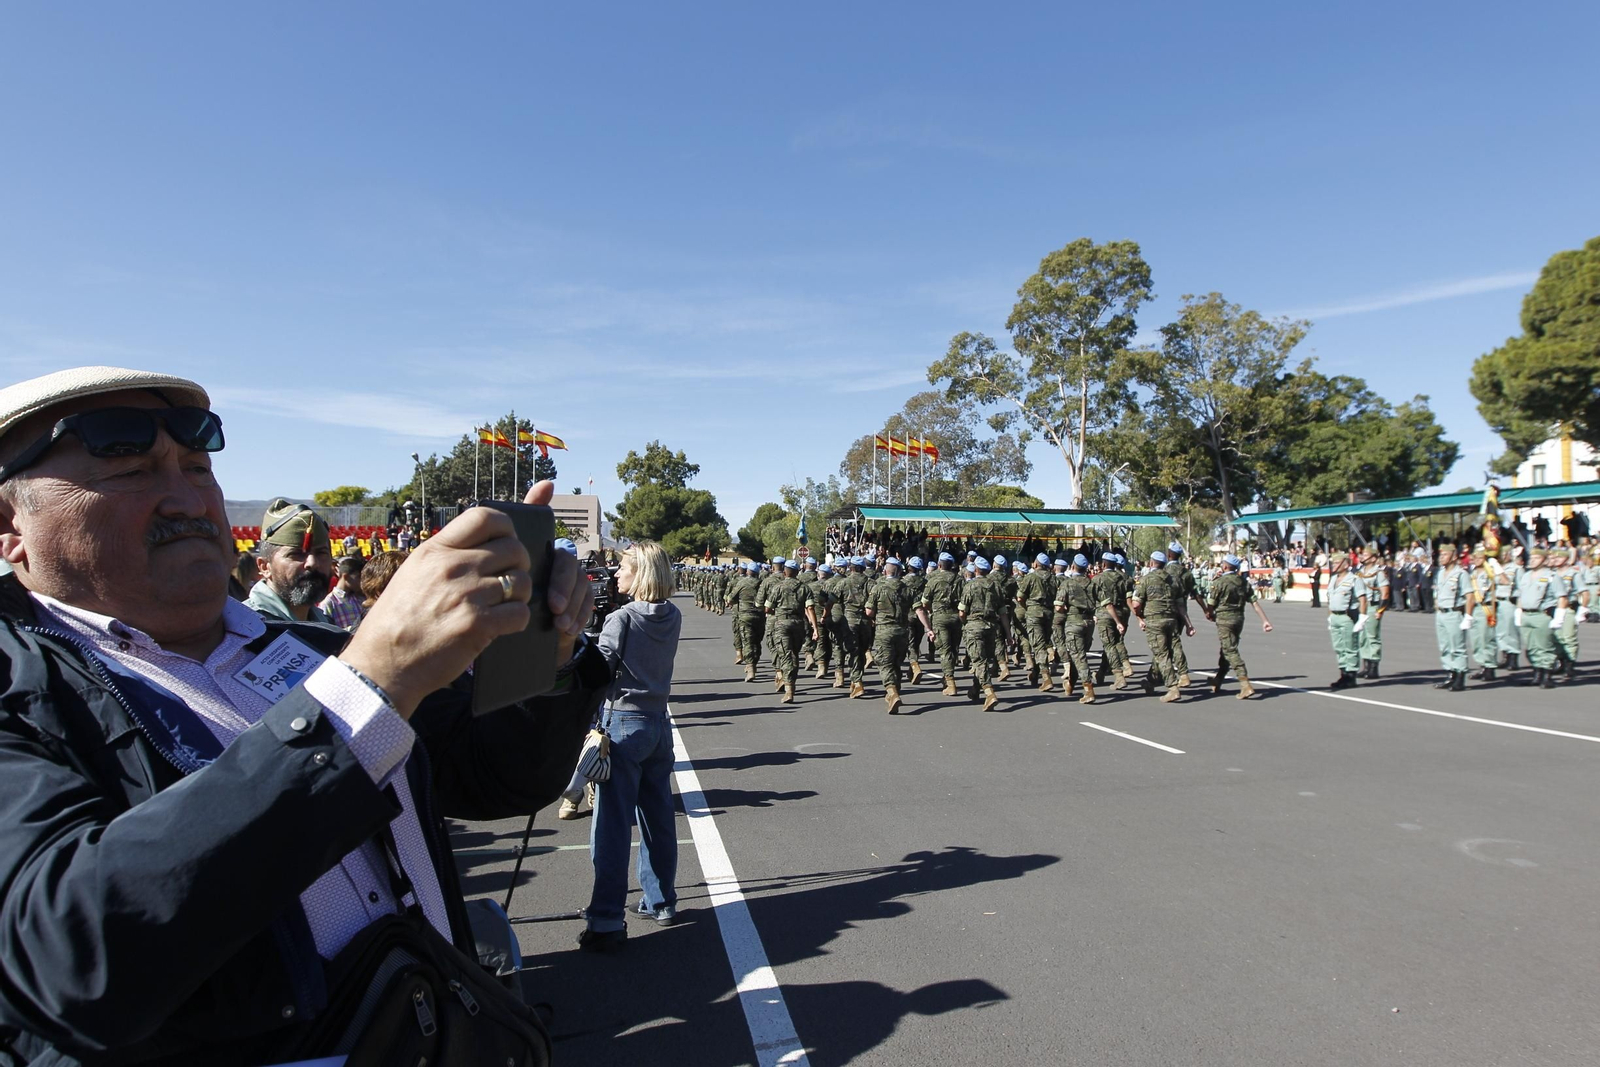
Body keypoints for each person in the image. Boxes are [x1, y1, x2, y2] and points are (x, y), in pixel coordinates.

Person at [0, 366, 604, 1063]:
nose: (185, 497)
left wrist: (546, 661)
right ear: (11, 524)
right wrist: (367, 687)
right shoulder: (22, 688)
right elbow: (73, 955)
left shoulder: (316, 649)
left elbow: (497, 776)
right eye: (131, 469)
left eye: (198, 466)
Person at [580, 540, 683, 950]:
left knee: (611, 824)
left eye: (622, 568)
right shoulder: (671, 614)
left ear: (639, 574)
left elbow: (598, 670)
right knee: (658, 816)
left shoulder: (621, 619)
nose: (615, 575)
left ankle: (605, 915)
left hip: (623, 722)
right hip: (658, 721)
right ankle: (661, 900)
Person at [246, 498, 335, 624]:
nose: (313, 563)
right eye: (296, 554)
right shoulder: (243, 627)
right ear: (265, 567)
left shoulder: (324, 623)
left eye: (321, 553)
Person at [1207, 554, 1273, 698]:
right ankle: (1218, 679)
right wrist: (1265, 620)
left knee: (1230, 651)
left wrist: (1209, 614)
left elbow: (1211, 603)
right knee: (1227, 649)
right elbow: (1254, 602)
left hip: (1224, 620)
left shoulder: (1219, 582)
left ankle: (1245, 684)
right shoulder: (1243, 582)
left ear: (1225, 566)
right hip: (1239, 619)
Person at [1131, 551, 1188, 703]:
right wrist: (1188, 624)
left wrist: (1140, 616)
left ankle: (1172, 687)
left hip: (1155, 622)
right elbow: (1181, 605)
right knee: (1163, 652)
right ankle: (1151, 681)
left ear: (1151, 563)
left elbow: (1136, 604)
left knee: (1162, 654)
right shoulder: (1173, 580)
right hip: (1172, 620)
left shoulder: (1146, 580)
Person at [864, 556, 913, 713]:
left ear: (885, 571)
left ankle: (892, 692)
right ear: (899, 571)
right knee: (896, 662)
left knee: (885, 663)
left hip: (884, 630)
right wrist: (928, 628)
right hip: (902, 631)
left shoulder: (878, 587)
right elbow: (919, 608)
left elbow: (869, 611)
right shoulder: (906, 588)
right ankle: (895, 690)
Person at [958, 557, 1003, 711]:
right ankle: (975, 690)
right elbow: (1003, 611)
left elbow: (962, 611)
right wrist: (1008, 634)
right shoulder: (995, 586)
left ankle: (989, 692)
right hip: (991, 627)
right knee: (984, 660)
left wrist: (965, 623)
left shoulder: (970, 586)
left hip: (974, 626)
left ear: (975, 570)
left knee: (978, 661)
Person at [1515, 546, 1564, 689]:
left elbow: (1561, 597)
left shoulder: (1551, 576)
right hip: (1526, 614)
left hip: (1542, 615)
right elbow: (1520, 595)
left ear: (1544, 560)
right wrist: (1518, 611)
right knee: (1531, 647)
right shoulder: (1525, 575)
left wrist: (1559, 617)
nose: (1532, 560)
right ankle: (1537, 674)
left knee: (1544, 646)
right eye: (1531, 558)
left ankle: (1547, 675)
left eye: (1536, 558)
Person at [918, 552, 963, 696]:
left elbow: (924, 602)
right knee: (954, 648)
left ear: (939, 565)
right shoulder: (959, 580)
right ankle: (948, 674)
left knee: (944, 650)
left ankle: (950, 682)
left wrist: (933, 610)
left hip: (939, 617)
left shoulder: (933, 580)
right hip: (956, 617)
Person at [1431, 543, 1474, 691]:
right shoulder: (1440, 573)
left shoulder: (1461, 574)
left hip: (1454, 613)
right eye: (1440, 555)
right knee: (1445, 646)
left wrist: (1468, 616)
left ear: (1454, 556)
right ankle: (1451, 674)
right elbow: (1436, 592)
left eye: (1444, 555)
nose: (1441, 557)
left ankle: (1460, 676)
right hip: (1441, 613)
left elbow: (1469, 596)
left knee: (1457, 647)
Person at [764, 559, 808, 704]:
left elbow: (767, 608)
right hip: (799, 623)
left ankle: (789, 689)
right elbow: (810, 608)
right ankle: (790, 683)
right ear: (797, 572)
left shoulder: (778, 587)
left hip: (782, 623)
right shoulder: (804, 587)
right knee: (794, 655)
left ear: (785, 571)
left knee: (786, 655)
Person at [1323, 554, 1368, 690]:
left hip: (1347, 616)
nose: (1333, 564)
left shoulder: (1355, 579)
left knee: (1350, 647)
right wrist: (1330, 617)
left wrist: (1362, 618)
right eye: (1333, 562)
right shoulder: (1333, 579)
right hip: (1335, 616)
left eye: (1337, 562)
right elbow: (1330, 600)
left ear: (1346, 564)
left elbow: (1363, 599)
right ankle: (1343, 673)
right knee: (1339, 647)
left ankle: (1350, 676)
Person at [1356, 545, 1389, 679]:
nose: (1363, 556)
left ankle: (1374, 668)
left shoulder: (1379, 573)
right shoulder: (1360, 571)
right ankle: (1366, 666)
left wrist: (1380, 610)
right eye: (1362, 554)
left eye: (1366, 554)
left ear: (1374, 558)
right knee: (1362, 637)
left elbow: (1385, 593)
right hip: (1361, 607)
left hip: (1372, 606)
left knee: (1372, 637)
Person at [320, 554, 366, 631]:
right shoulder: (329, 602)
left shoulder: (360, 598)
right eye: (358, 577)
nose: (361, 582)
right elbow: (326, 632)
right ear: (346, 577)